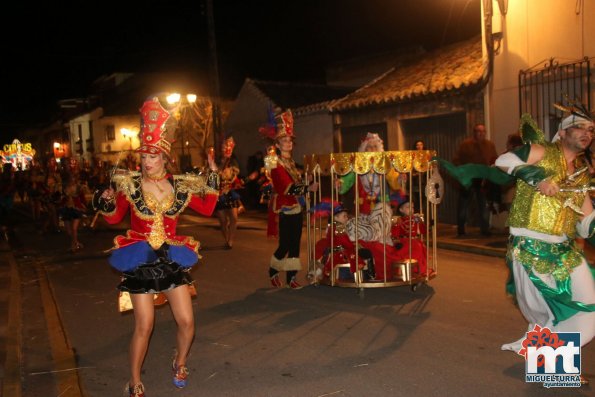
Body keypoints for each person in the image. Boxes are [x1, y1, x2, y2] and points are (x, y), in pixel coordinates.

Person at [92, 96, 219, 397]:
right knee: (144, 326)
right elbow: (113, 219)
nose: (146, 161)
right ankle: (134, 380)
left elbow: (208, 208)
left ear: (164, 156)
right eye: (143, 156)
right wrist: (105, 200)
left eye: (152, 155)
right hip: (140, 260)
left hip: (171, 260)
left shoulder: (179, 186)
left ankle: (180, 361)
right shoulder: (130, 184)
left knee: (188, 321)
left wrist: (213, 172)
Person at [494, 108, 595, 385]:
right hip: (530, 248)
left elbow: (586, 222)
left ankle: (548, 363)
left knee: (589, 306)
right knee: (549, 312)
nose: (587, 133)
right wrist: (538, 178)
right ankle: (553, 368)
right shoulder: (543, 151)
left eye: (591, 130)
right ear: (562, 132)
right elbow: (503, 160)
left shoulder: (582, 174)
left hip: (565, 251)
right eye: (581, 127)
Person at [260, 108, 319, 289]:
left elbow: (295, 184)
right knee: (285, 244)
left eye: (290, 141)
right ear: (277, 144)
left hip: (296, 206)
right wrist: (307, 187)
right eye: (284, 141)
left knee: (295, 244)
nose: (288, 143)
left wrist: (306, 181)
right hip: (284, 207)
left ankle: (291, 278)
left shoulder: (291, 163)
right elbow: (286, 187)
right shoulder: (276, 163)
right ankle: (273, 270)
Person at [338, 132, 402, 215]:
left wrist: (400, 178)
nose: (372, 149)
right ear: (364, 149)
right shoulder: (357, 164)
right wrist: (340, 183)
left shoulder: (384, 164)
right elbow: (346, 181)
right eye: (369, 147)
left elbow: (394, 180)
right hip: (363, 203)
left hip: (381, 202)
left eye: (375, 147)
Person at [312, 201, 375, 282]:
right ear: (336, 217)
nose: (346, 218)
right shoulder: (339, 227)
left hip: (338, 251)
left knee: (363, 251)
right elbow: (345, 243)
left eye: (346, 216)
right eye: (344, 216)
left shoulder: (333, 226)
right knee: (367, 253)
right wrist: (354, 245)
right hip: (342, 253)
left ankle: (367, 275)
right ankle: (370, 275)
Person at [453, 123, 498, 237]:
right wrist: (463, 172)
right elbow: (457, 160)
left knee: (484, 204)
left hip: (482, 179)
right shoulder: (465, 145)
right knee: (463, 204)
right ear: (474, 132)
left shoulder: (489, 145)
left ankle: (485, 228)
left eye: (483, 131)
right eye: (478, 131)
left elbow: (493, 159)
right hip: (469, 179)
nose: (481, 133)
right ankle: (461, 229)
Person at [210, 136, 243, 249]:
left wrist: (230, 174)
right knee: (223, 221)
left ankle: (231, 240)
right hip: (219, 194)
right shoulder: (216, 160)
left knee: (234, 217)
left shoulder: (233, 161)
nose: (226, 148)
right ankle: (226, 237)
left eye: (228, 145)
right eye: (224, 145)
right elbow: (214, 174)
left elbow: (234, 175)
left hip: (230, 192)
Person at [391, 199, 428, 276]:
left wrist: (421, 221)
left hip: (415, 241)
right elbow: (395, 233)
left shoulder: (416, 218)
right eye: (408, 207)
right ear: (401, 209)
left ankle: (418, 270)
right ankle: (406, 270)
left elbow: (423, 231)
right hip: (404, 242)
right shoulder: (399, 219)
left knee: (419, 249)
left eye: (412, 207)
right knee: (405, 254)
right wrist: (396, 241)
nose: (411, 209)